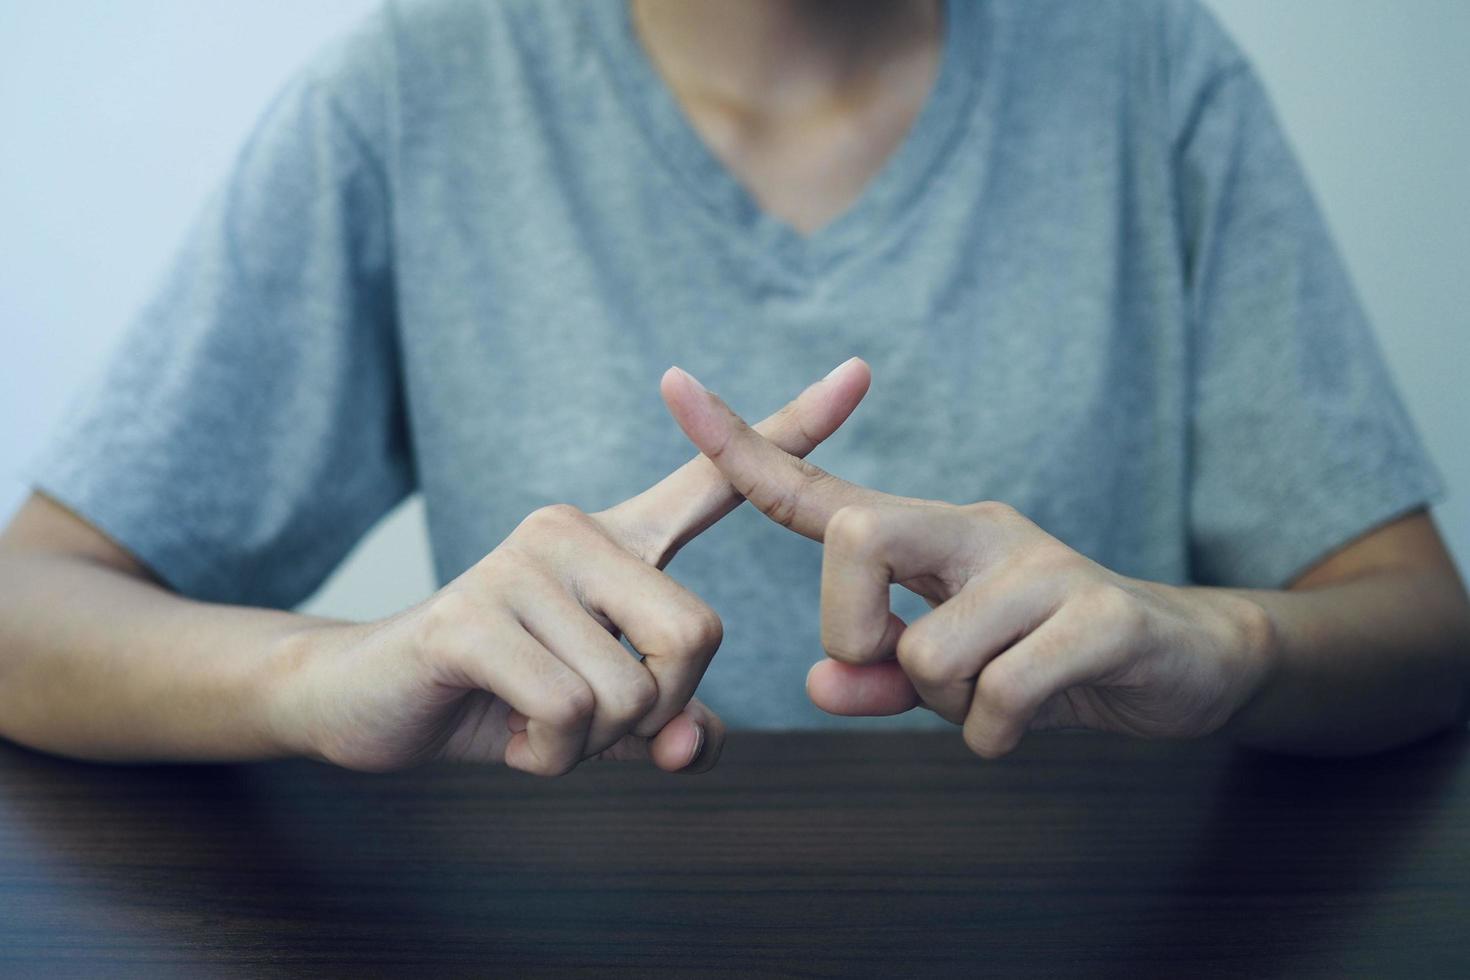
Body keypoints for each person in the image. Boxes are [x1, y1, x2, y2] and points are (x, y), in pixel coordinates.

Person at [1, 0, 1466, 776]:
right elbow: (30, 612)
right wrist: (326, 676)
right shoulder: (409, 93)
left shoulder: (1150, 68)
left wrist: (1222, 644)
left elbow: (1419, 632)